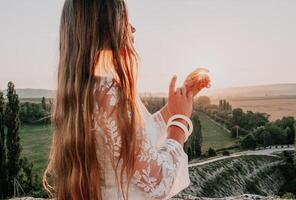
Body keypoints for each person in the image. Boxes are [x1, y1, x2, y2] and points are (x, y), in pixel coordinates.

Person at [43, 0, 206, 199]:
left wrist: (171, 110)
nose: (133, 28)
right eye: (124, 19)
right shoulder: (109, 92)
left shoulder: (84, 89)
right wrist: (179, 123)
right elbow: (156, 181)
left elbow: (136, 141)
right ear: (106, 26)